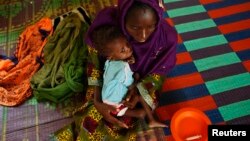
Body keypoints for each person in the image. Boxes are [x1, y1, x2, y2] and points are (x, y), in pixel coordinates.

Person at [52, 0, 177, 140]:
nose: (143, 36)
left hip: (140, 83)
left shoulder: (167, 38)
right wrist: (98, 101)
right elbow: (94, 64)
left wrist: (137, 90)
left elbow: (158, 75)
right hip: (109, 77)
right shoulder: (106, 26)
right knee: (98, 112)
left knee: (121, 118)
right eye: (134, 27)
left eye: (151, 27)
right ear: (123, 18)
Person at [92, 25, 167, 128]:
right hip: (116, 105)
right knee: (141, 100)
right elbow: (129, 84)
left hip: (107, 100)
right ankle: (151, 120)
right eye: (123, 50)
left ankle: (144, 118)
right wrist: (136, 79)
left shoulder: (109, 61)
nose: (128, 49)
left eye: (127, 44)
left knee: (139, 107)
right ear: (111, 56)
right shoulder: (123, 67)